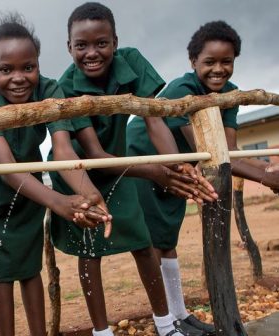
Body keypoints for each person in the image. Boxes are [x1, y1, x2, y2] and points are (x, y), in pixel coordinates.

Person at [49, 3, 218, 336]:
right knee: (90, 250)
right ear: (69, 47)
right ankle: (102, 331)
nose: (92, 52)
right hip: (80, 171)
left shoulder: (133, 62)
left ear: (115, 41)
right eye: (81, 45)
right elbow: (94, 152)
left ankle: (166, 324)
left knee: (142, 242)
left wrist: (175, 165)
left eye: (101, 43)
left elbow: (153, 119)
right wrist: (154, 171)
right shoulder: (64, 87)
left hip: (121, 165)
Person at [127, 20, 279, 335]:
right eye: (209, 62)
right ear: (193, 62)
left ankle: (180, 314)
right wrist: (267, 179)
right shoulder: (184, 89)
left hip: (184, 166)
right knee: (155, 240)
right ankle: (164, 322)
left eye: (227, 62)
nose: (218, 69)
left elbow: (230, 149)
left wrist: (267, 170)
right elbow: (207, 151)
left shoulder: (231, 95)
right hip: (149, 162)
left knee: (168, 239)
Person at [0, 13, 112, 336]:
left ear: (38, 65)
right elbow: (5, 168)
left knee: (30, 268)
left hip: (30, 189)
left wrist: (89, 193)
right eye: (6, 70)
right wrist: (58, 203)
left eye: (27, 67)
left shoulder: (50, 90)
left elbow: (63, 150)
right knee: (2, 271)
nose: (18, 78)